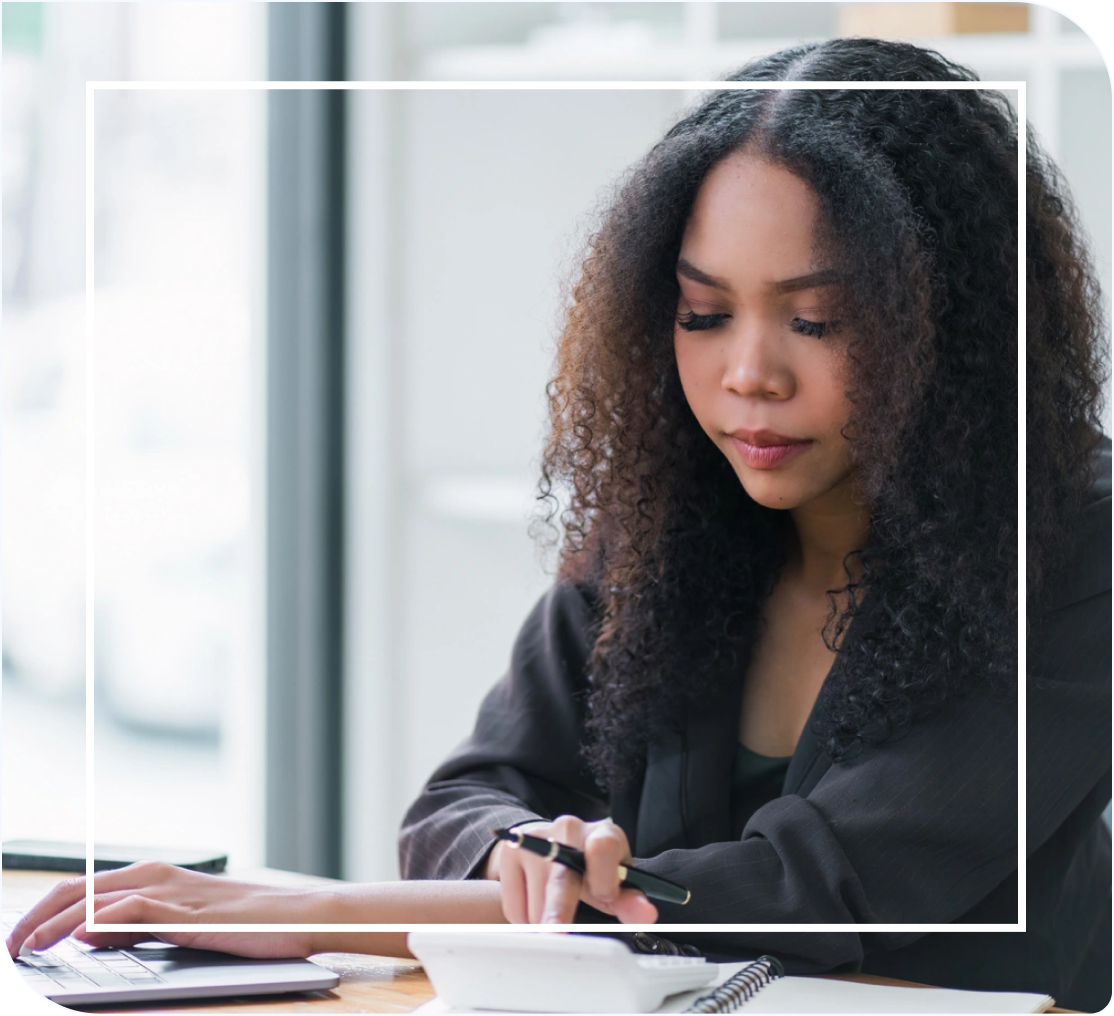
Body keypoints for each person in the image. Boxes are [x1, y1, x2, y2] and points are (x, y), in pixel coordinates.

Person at [7, 37, 1110, 1013]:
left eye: (817, 318)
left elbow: (810, 888)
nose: (747, 375)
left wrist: (322, 910)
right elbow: (466, 796)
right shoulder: (675, 521)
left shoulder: (1077, 549)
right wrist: (532, 855)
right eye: (702, 312)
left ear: (961, 330)